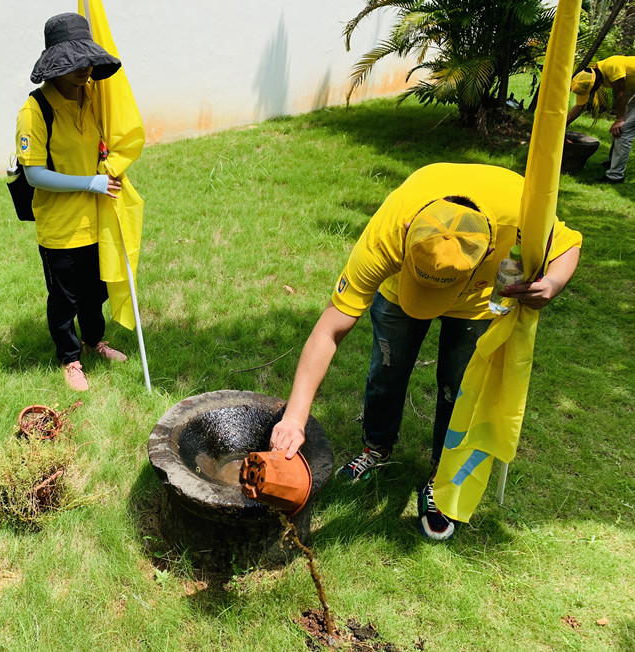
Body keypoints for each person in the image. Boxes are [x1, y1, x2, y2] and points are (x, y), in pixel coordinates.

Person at [269, 163, 582, 541]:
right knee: (388, 369)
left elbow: (567, 244)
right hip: (399, 292)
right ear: (406, 234)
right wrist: (294, 417)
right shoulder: (390, 227)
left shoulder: (520, 210)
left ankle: (440, 475)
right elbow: (331, 327)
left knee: (459, 386)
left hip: (475, 301)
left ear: (487, 252)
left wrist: (554, 282)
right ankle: (377, 446)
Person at [16, 13, 128, 391]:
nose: (85, 69)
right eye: (75, 63)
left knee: (95, 291)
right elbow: (33, 175)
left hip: (97, 218)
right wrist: (89, 182)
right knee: (64, 298)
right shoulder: (35, 111)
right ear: (56, 65)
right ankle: (70, 359)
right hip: (60, 225)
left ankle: (95, 341)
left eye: (88, 61)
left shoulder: (94, 97)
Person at [566, 56, 635, 184]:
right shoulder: (592, 75)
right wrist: (564, 124)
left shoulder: (612, 67)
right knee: (618, 129)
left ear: (597, 84)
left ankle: (615, 176)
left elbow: (621, 94)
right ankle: (611, 162)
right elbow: (580, 106)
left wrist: (620, 119)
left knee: (623, 131)